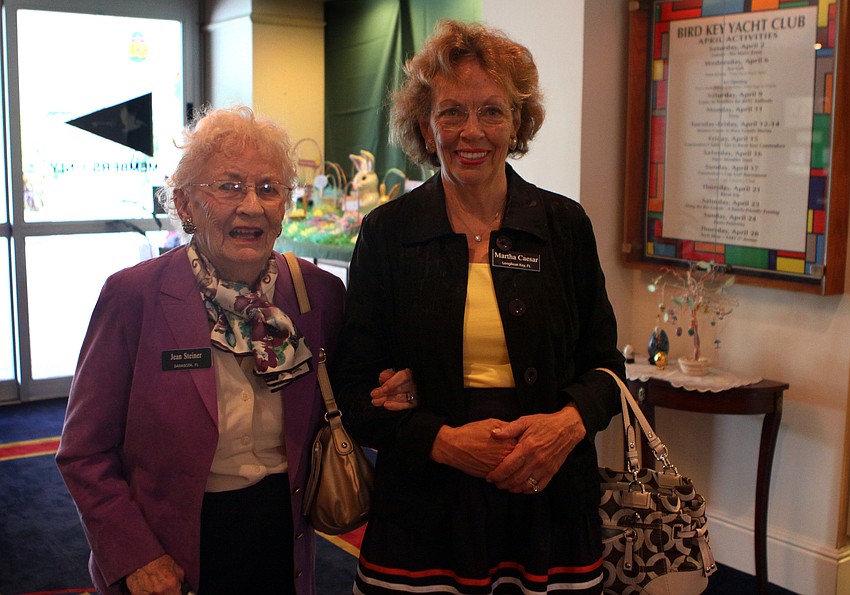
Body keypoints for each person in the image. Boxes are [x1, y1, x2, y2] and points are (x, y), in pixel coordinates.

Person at [334, 20, 625, 594]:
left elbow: (606, 369)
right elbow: (351, 385)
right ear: (425, 124)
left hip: (546, 496)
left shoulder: (564, 226)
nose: (472, 132)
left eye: (492, 111)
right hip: (425, 507)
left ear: (517, 123)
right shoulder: (387, 233)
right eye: (451, 112)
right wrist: (443, 442)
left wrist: (563, 428)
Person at [57, 106, 348, 594]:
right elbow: (84, 453)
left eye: (268, 188)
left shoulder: (317, 296)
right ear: (185, 204)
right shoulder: (134, 297)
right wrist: (135, 557)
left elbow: (349, 402)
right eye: (229, 186)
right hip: (169, 545)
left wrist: (392, 389)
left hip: (284, 533)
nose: (251, 205)